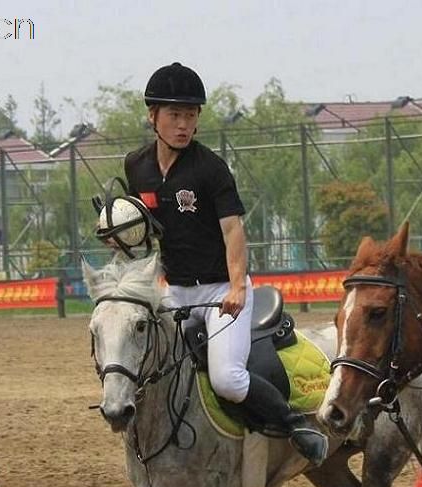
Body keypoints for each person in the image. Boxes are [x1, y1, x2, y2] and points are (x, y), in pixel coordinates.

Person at [123, 61, 327, 465]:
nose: (183, 124)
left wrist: (236, 287)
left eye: (190, 115)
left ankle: (295, 426)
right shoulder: (136, 165)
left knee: (227, 379)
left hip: (220, 291)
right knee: (144, 359)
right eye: (174, 115)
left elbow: (233, 231)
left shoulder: (210, 168)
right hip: (173, 289)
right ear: (153, 116)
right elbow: (142, 229)